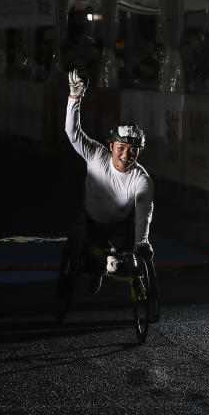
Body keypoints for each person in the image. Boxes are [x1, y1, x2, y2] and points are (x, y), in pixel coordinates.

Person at [63, 68, 154, 295]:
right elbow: (72, 133)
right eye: (121, 148)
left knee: (128, 256)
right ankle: (96, 270)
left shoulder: (141, 178)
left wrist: (142, 243)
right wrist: (75, 97)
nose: (126, 156)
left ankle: (133, 279)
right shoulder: (95, 155)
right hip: (92, 219)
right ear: (111, 146)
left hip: (120, 225)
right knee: (88, 250)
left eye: (133, 151)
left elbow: (145, 211)